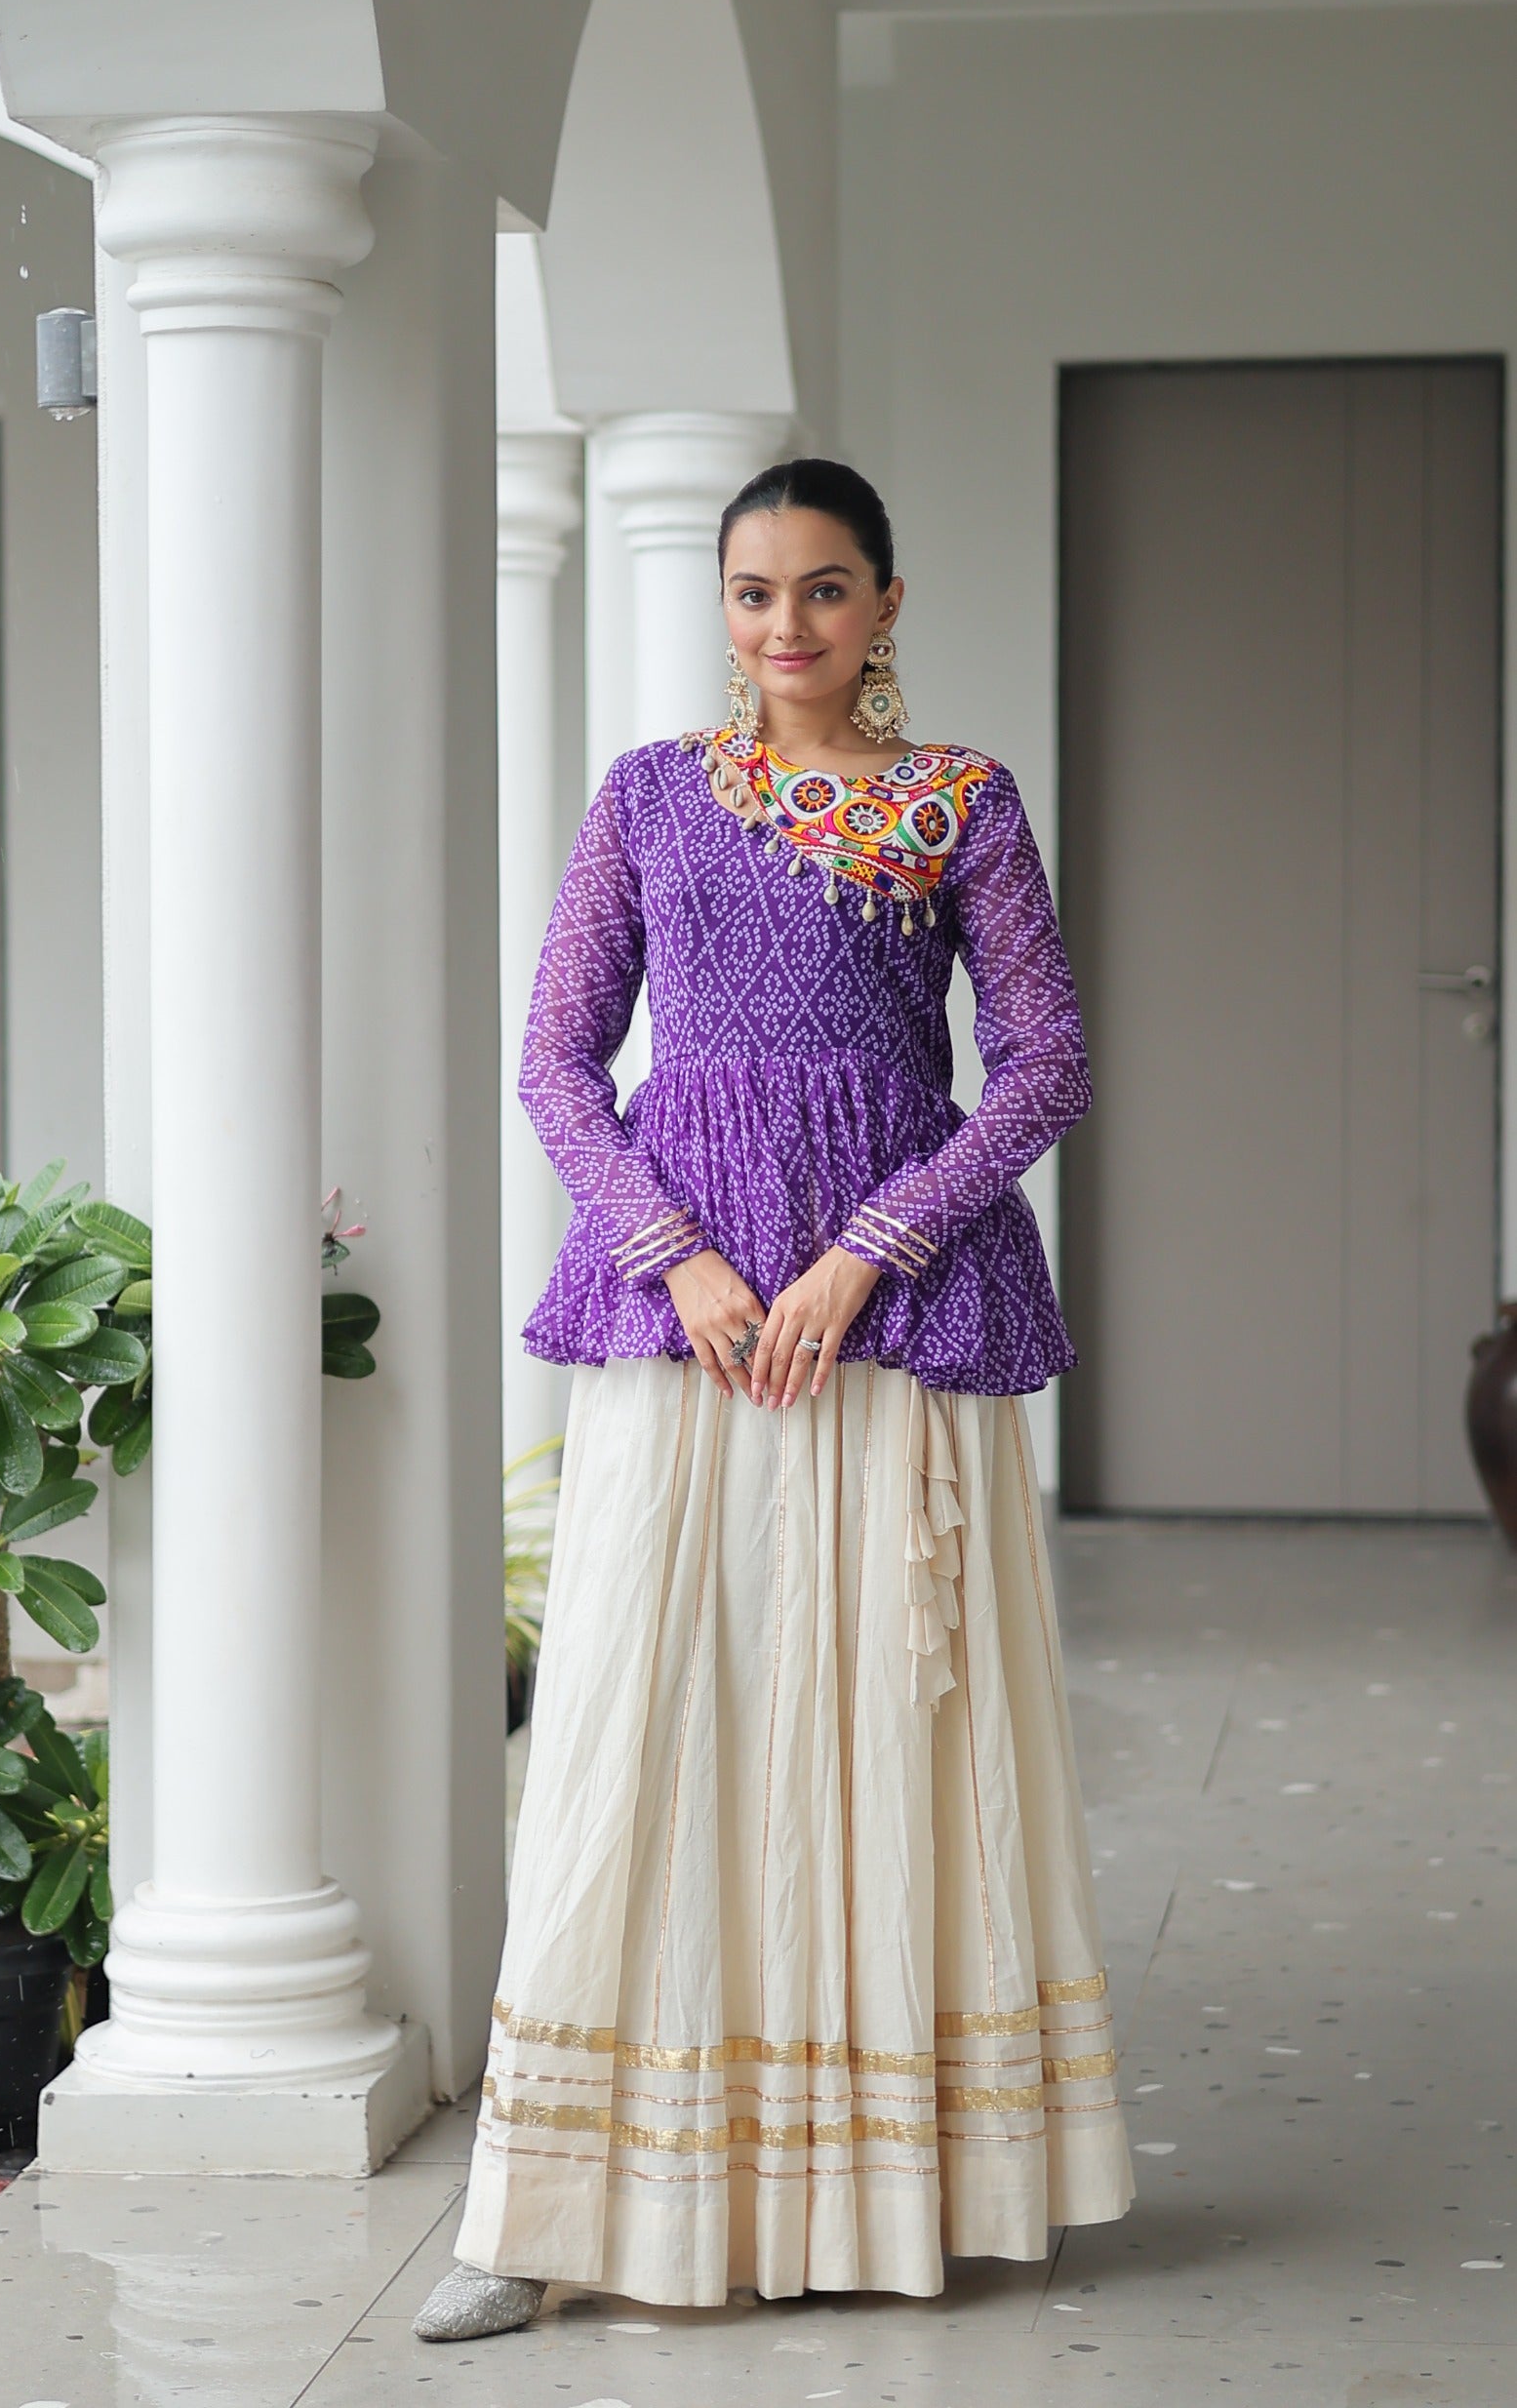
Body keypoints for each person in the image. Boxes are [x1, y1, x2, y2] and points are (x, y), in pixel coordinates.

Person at [416, 458, 1133, 2343]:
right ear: (720, 605)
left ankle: (897, 2187)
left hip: (892, 1316)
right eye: (753, 593)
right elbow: (558, 1061)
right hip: (689, 1325)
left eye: (825, 591)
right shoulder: (647, 798)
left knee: (888, 1721)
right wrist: (679, 1252)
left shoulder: (960, 802)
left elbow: (1044, 1064)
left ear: (887, 603)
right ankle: (551, 2205)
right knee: (639, 1728)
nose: (786, 627)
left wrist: (867, 1251)